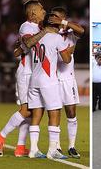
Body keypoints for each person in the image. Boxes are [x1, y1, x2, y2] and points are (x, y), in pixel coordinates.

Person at [0, 0, 47, 157]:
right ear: (33, 13)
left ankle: (20, 147)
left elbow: (19, 50)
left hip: (35, 73)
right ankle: (1, 136)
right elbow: (29, 42)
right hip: (26, 73)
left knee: (30, 110)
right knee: (27, 110)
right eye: (41, 9)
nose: (44, 11)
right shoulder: (26, 26)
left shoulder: (39, 27)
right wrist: (45, 31)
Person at [27, 13, 73, 159]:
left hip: (33, 80)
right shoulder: (57, 37)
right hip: (48, 80)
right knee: (55, 113)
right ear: (55, 24)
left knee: (36, 114)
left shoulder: (36, 36)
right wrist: (69, 52)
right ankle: (52, 150)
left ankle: (33, 149)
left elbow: (27, 45)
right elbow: (66, 60)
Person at [49, 6, 84, 159]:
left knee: (71, 112)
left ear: (62, 17)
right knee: (54, 112)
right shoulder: (49, 34)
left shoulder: (71, 34)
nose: (53, 18)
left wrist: (63, 22)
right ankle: (56, 146)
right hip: (52, 79)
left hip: (68, 79)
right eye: (52, 16)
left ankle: (72, 146)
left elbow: (81, 30)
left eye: (56, 16)